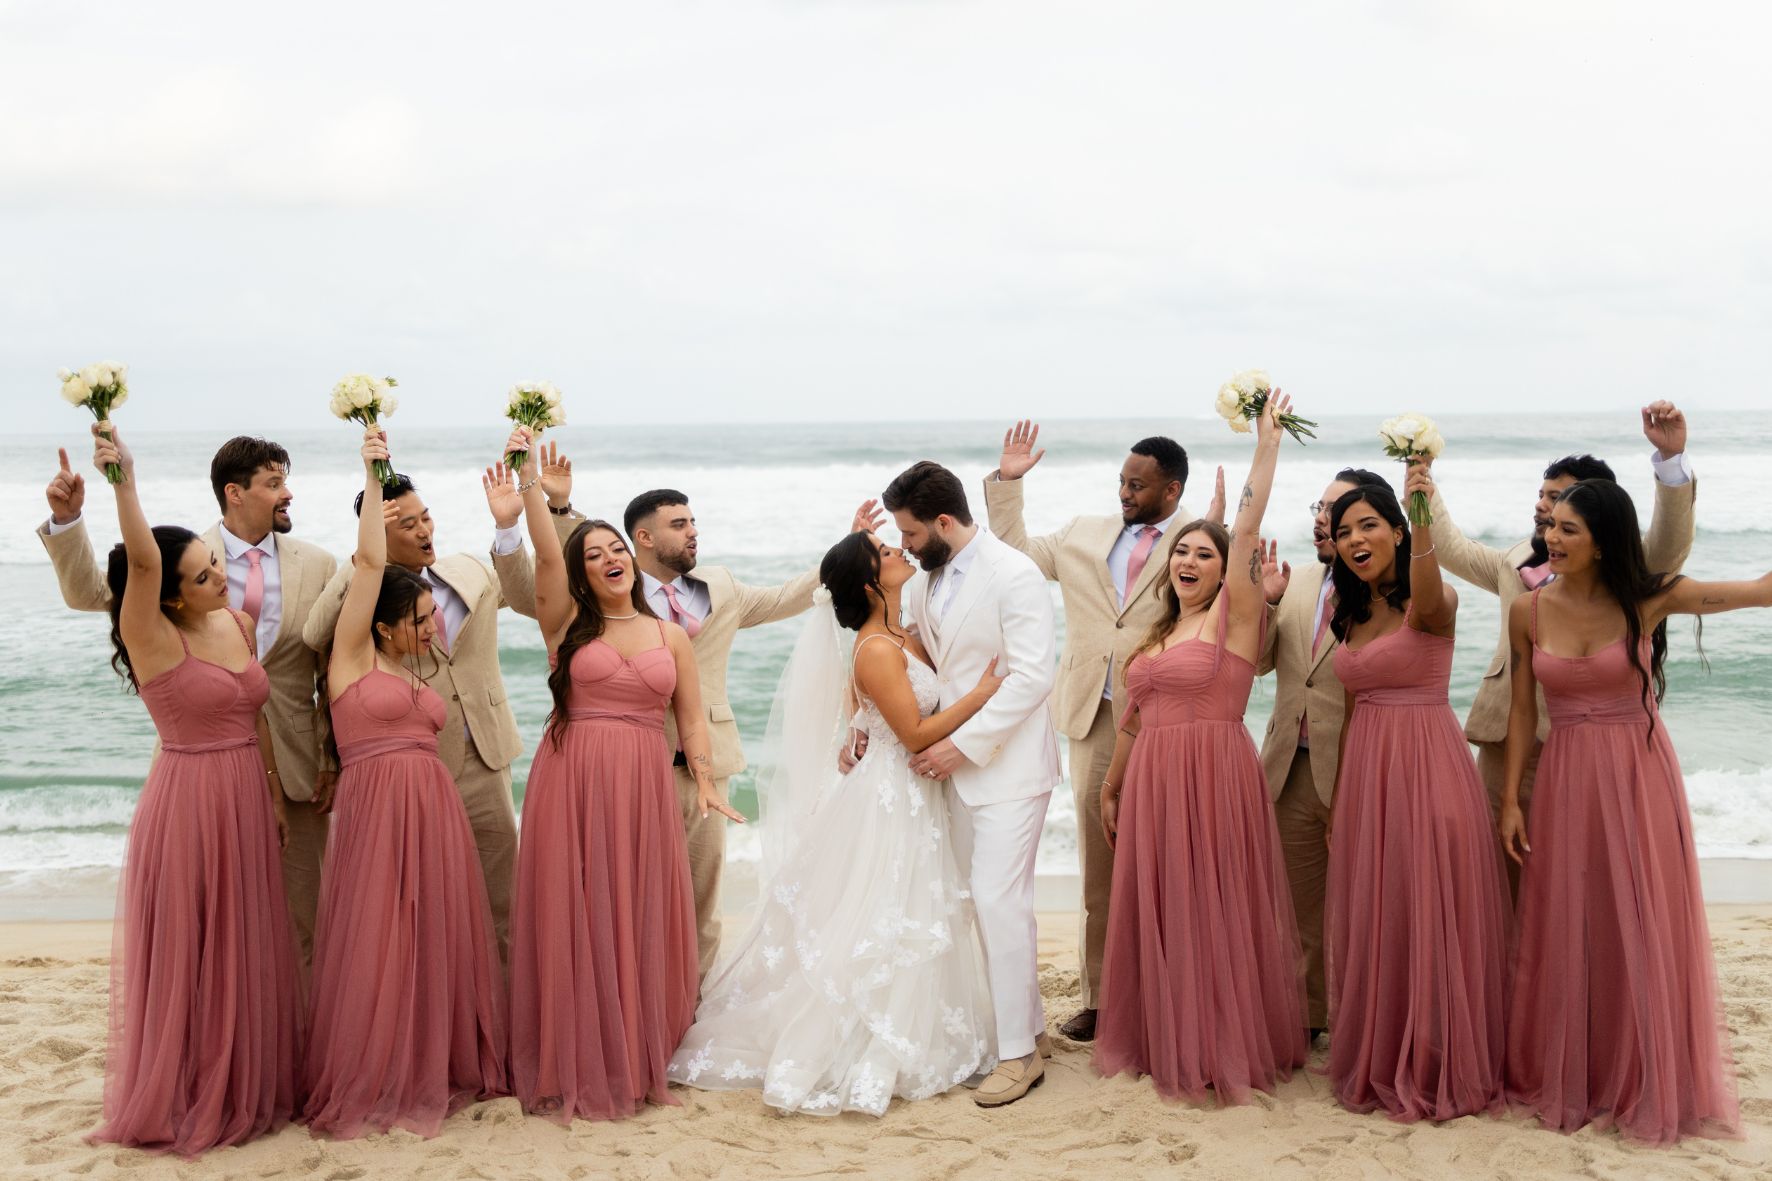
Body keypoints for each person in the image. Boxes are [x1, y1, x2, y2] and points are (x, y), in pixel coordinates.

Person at [668, 531, 1002, 1115]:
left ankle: (915, 1024)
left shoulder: (903, 632)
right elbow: (915, 734)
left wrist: (858, 725)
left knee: (910, 908)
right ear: (871, 583)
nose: (898, 550)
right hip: (891, 796)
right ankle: (856, 1041)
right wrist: (982, 694)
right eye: (885, 552)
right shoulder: (876, 647)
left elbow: (865, 701)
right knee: (884, 910)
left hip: (911, 792)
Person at [1500, 478, 1759, 1144]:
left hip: (1639, 775)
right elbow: (1523, 710)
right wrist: (1510, 800)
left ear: (1603, 541)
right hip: (1565, 779)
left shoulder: (1650, 597)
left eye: (1569, 529)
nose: (1552, 538)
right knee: (1573, 917)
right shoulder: (1528, 610)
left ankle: (1642, 1069)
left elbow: (1759, 591)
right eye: (1551, 525)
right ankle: (1582, 1069)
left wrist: (1673, 465)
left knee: (1639, 914)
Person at [506, 428, 745, 1122]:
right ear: (580, 572)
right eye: (594, 554)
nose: (609, 558)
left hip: (644, 783)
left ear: (632, 557)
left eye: (616, 548)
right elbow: (544, 552)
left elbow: (691, 720)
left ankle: (639, 1048)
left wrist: (705, 782)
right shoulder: (565, 621)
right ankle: (577, 1051)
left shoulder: (669, 635)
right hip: (573, 780)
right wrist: (532, 486)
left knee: (637, 911)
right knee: (579, 910)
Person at [84, 423, 301, 1155]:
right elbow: (143, 560)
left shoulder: (236, 621)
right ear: (170, 598)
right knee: (193, 948)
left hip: (245, 795)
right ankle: (186, 1090)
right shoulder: (151, 636)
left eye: (216, 566)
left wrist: (274, 795)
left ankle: (239, 1081)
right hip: (187, 801)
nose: (220, 579)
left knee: (245, 944)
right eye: (203, 577)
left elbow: (255, 714)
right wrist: (123, 480)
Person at [40, 437, 337, 960]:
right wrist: (68, 521)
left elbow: (328, 673)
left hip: (294, 772)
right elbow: (93, 592)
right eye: (274, 483)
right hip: (199, 775)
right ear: (235, 493)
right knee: (209, 929)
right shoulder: (182, 559)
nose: (287, 493)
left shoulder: (318, 564)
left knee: (302, 922)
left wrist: (331, 757)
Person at [1094, 394, 1307, 1102]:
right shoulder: (1158, 635)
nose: (1189, 559)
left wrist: (1265, 448)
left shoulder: (1233, 621)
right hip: (1153, 782)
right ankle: (1166, 1035)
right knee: (1163, 908)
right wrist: (1112, 786)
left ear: (1225, 571)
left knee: (1212, 909)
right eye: (1181, 550)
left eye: (1204, 554)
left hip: (1213, 777)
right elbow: (1133, 720)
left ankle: (1218, 1041)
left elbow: (1244, 528)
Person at [300, 428, 507, 1139]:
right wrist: (371, 474)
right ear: (384, 627)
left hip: (435, 806)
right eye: (418, 621)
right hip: (379, 809)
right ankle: (377, 1068)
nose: (430, 628)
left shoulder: (411, 662)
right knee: (381, 936)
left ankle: (440, 1054)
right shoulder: (352, 655)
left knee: (438, 935)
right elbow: (366, 564)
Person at [302, 438, 579, 961]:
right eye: (406, 525)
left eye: (425, 517)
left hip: (487, 755)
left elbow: (536, 595)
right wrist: (362, 556)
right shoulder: (368, 604)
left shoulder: (470, 569)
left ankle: (504, 1004)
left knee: (503, 900)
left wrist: (511, 527)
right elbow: (315, 635)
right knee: (426, 904)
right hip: (414, 769)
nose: (424, 530)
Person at [982, 423, 1216, 1042]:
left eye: (1137, 485)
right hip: (1095, 713)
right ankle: (1101, 997)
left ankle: (1176, 991)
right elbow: (1013, 555)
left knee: (1174, 855)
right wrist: (1007, 484)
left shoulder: (1198, 540)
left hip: (1171, 720)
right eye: (1121, 481)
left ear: (1172, 489)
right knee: (1101, 862)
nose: (1124, 493)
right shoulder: (1083, 533)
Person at [1421, 403, 1697, 896]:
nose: (1542, 506)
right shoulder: (1515, 560)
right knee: (1501, 876)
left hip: (1583, 749)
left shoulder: (1625, 567)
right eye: (1542, 495)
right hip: (1505, 742)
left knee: (1580, 882)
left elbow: (1670, 546)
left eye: (1556, 497)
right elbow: (1454, 550)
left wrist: (1671, 463)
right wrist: (1424, 489)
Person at [624, 489, 880, 979]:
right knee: (637, 891)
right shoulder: (613, 590)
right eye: (679, 524)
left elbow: (784, 598)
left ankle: (694, 1000)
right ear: (644, 537)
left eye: (693, 521)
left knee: (702, 896)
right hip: (632, 760)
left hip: (706, 765)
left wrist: (845, 550)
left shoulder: (717, 586)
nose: (693, 531)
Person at [1325, 475, 1511, 1121]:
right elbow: (1353, 708)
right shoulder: (1348, 610)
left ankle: (1437, 1059)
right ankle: (1386, 1050)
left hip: (1428, 769)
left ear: (1399, 531)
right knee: (1385, 913)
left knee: (1429, 908)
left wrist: (1423, 507)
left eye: (1369, 525)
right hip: (1368, 779)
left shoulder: (1431, 602)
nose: (1355, 539)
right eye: (1344, 531)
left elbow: (1429, 585)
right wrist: (1342, 798)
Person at [891, 460, 1062, 1108]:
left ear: (943, 522)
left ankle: (1018, 1057)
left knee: (999, 902)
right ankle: (1029, 1031)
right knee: (980, 902)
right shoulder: (923, 580)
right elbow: (924, 657)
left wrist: (959, 745)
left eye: (911, 533)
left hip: (1008, 767)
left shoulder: (1014, 573)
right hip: (954, 773)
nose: (906, 545)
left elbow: (1032, 676)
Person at [1255, 467, 1390, 1040]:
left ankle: (1370, 1019)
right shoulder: (1299, 581)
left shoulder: (1388, 593)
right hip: (1290, 765)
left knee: (1369, 905)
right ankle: (1309, 1020)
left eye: (1335, 510)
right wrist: (1265, 605)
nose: (1322, 519)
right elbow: (1259, 664)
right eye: (1320, 507)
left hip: (1361, 767)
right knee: (1298, 906)